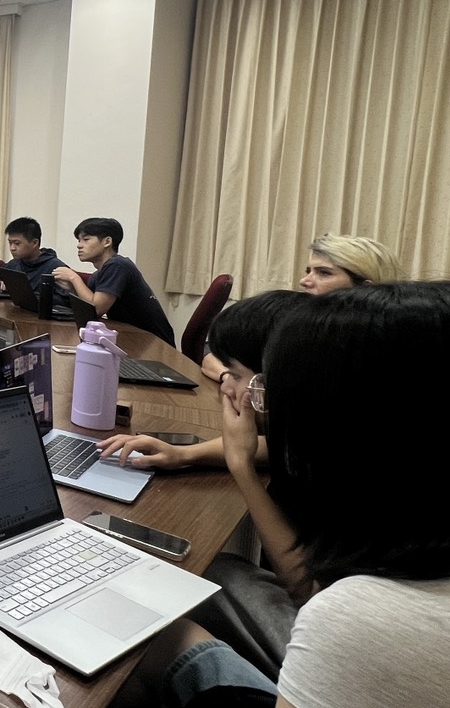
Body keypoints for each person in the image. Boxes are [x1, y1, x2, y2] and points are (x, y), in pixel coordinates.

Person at [148, 282, 450, 708]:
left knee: (166, 639)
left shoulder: (364, 615)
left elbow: (311, 592)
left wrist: (240, 465)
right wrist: (198, 455)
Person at [99, 290, 308, 678]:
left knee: (182, 587)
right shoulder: (311, 424)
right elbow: (277, 449)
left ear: (271, 381)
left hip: (328, 640)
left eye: (237, 376)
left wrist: (241, 468)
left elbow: (306, 588)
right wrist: (183, 455)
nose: (227, 388)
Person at [199, 232, 405, 380]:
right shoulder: (297, 316)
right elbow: (212, 351)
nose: (304, 281)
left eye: (324, 273)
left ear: (365, 289)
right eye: (308, 271)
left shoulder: (379, 348)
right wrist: (231, 377)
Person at [51, 216, 175, 345]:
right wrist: (73, 287)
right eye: (79, 240)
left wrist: (74, 277)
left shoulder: (117, 265)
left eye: (86, 239)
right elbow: (89, 306)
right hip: (134, 338)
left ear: (107, 242)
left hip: (154, 343)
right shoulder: (100, 273)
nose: (79, 245)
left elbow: (96, 309)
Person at [0, 216, 67, 300]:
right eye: (10, 243)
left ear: (34, 243)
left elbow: (65, 300)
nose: (12, 248)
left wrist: (28, 295)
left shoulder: (56, 268)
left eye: (17, 243)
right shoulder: (14, 263)